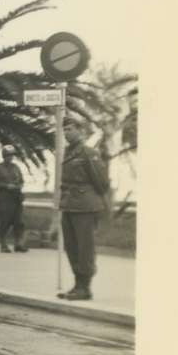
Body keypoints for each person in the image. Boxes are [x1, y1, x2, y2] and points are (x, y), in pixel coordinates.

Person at [57, 120, 112, 301]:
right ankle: (77, 285)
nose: (66, 133)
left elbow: (101, 181)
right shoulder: (67, 152)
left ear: (80, 131)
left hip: (85, 206)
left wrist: (93, 199)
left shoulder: (88, 152)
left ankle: (84, 288)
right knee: (71, 246)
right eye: (64, 130)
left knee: (84, 247)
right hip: (69, 205)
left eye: (70, 129)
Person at [0, 147, 28, 253]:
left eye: (12, 155)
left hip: (16, 198)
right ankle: (3, 244)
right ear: (4, 156)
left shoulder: (16, 167)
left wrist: (19, 186)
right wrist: (6, 186)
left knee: (18, 222)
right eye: (8, 155)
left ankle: (18, 244)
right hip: (4, 198)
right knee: (4, 221)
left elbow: (21, 180)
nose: (10, 157)